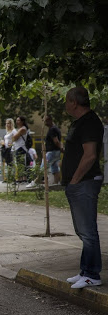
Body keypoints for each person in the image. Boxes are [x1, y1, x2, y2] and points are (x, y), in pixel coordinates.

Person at [61, 87, 104, 289]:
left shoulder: (89, 122)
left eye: (66, 101)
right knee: (82, 231)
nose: (65, 105)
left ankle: (93, 274)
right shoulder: (80, 122)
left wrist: (75, 180)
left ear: (74, 102)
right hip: (79, 183)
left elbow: (90, 155)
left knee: (88, 231)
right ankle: (85, 271)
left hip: (84, 183)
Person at [27, 115, 64, 188]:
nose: (44, 123)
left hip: (51, 152)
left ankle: (36, 182)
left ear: (49, 120)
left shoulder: (52, 130)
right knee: (55, 168)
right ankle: (56, 183)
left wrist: (61, 148)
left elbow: (56, 141)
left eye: (45, 121)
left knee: (43, 167)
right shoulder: (56, 128)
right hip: (56, 152)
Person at [11, 116, 31, 180]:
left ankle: (23, 178)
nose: (17, 122)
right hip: (18, 147)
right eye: (16, 120)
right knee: (19, 163)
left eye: (18, 120)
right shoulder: (19, 129)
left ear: (22, 122)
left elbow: (14, 138)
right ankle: (21, 178)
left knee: (21, 163)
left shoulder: (23, 129)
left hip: (21, 147)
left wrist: (15, 135)